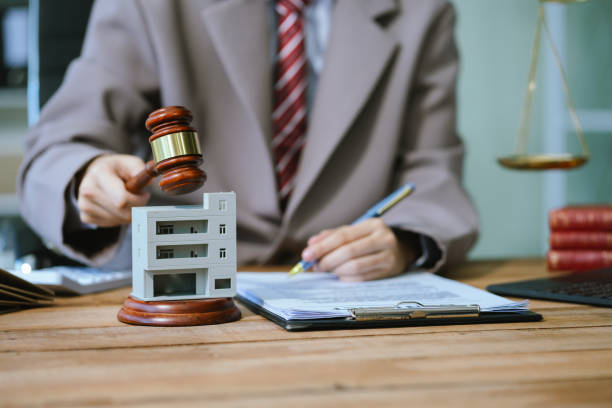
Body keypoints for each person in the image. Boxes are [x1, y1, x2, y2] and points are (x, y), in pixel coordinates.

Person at [18, 0, 478, 281]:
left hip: (337, 288)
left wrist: (401, 240)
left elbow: (432, 172)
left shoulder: (424, 12)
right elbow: (55, 151)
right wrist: (84, 178)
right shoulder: (148, 3)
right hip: (186, 279)